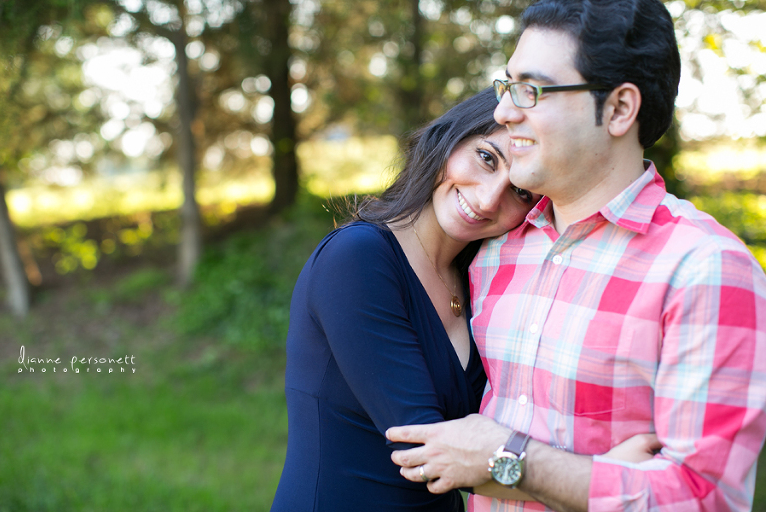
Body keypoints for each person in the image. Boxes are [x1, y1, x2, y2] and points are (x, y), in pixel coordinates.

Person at [386, 1, 766, 511]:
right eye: (507, 86)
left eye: (531, 90)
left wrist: (513, 459)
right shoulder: (494, 248)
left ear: (618, 109)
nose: (502, 112)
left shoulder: (706, 269)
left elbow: (707, 497)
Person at [269, 88, 543, 512]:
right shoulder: (357, 259)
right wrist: (584, 478)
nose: (489, 198)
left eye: (521, 192)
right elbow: (429, 453)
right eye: (487, 158)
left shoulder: (479, 280)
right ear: (449, 138)